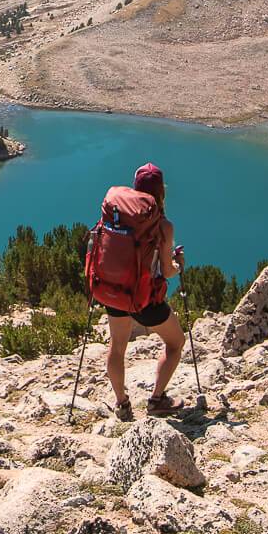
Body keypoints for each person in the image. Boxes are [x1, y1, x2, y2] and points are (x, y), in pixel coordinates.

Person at [100, 162, 185, 419]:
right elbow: (167, 272)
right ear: (161, 192)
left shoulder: (116, 214)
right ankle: (157, 399)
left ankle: (122, 404)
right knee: (175, 342)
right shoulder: (162, 225)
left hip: (114, 290)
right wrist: (178, 265)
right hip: (145, 299)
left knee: (117, 347)